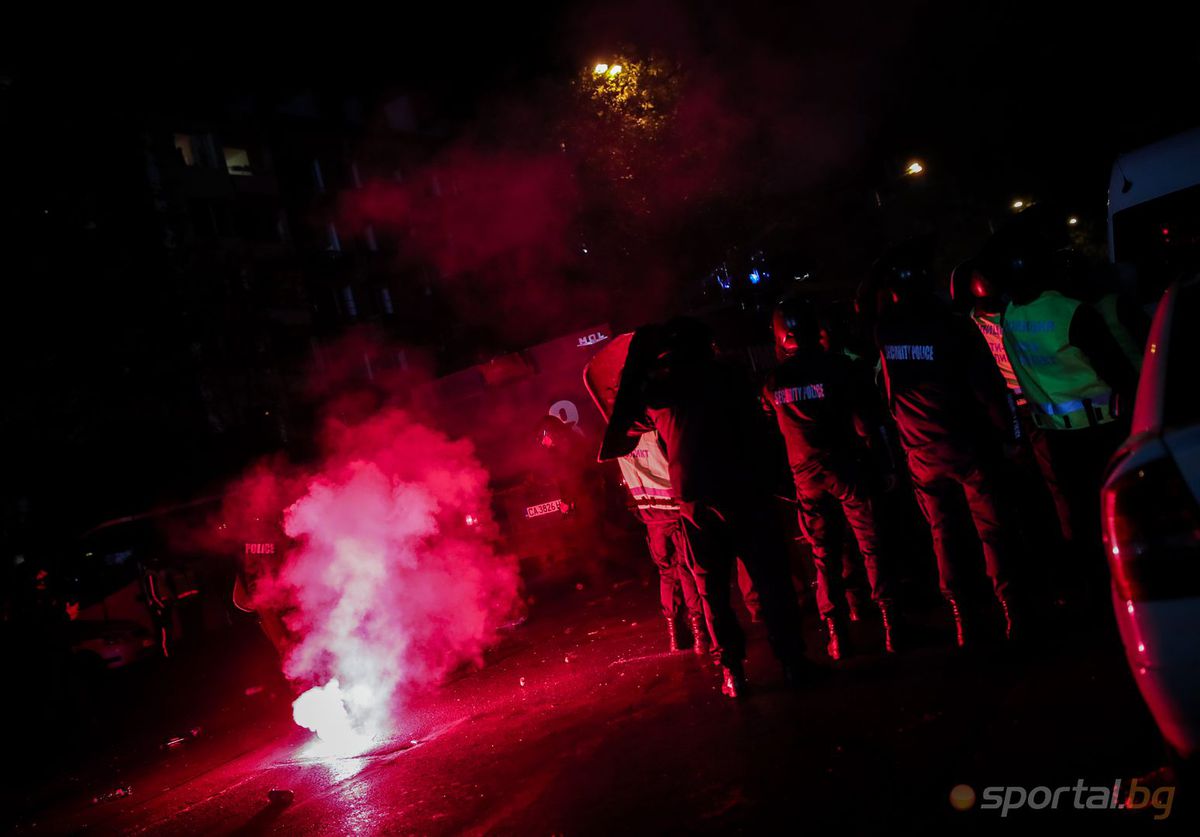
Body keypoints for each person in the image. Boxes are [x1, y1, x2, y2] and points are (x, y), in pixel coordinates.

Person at [601, 319, 815, 697]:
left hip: (695, 501)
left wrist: (638, 372)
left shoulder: (658, 391)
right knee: (771, 582)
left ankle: (732, 674)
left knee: (712, 591)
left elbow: (626, 422)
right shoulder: (726, 376)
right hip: (743, 491)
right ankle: (793, 665)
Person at [869, 237, 1025, 646]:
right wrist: (1010, 436)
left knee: (944, 535)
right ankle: (1014, 614)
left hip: (921, 451)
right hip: (967, 445)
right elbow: (989, 389)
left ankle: (963, 621)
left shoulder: (885, 331)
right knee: (992, 530)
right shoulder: (954, 327)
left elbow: (888, 389)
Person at [977, 229, 1139, 596]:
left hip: (1054, 436)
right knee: (1121, 513)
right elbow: (1119, 373)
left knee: (1079, 515)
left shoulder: (1012, 316)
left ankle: (1096, 589)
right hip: (1105, 431)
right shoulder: (1073, 311)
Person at [763, 297, 901, 659]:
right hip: (847, 470)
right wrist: (883, 464)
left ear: (780, 338)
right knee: (871, 545)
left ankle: (837, 636)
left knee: (823, 556)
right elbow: (864, 423)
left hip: (806, 479)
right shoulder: (838, 367)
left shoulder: (773, 382)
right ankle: (893, 628)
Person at [618, 429, 708, 654]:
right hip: (673, 514)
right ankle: (700, 635)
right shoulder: (654, 432)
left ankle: (675, 636)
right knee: (687, 570)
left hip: (651, 518)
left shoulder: (617, 439)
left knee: (667, 573)